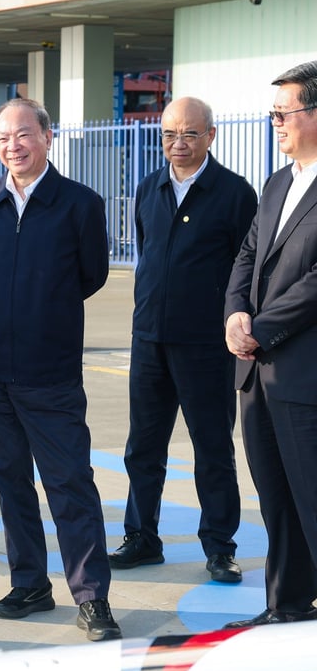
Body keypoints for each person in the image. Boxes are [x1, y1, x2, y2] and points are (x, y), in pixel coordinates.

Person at [0, 98, 119, 642]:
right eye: (4, 137)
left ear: (48, 137)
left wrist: (42, 314)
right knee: (10, 482)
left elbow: (91, 274)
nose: (14, 145)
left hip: (49, 372)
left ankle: (92, 596)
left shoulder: (80, 203)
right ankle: (30, 582)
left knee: (70, 485)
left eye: (23, 134)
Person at [110, 97, 256, 583]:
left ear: (211, 136)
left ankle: (219, 546)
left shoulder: (234, 193)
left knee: (212, 448)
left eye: (190, 134)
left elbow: (247, 268)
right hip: (149, 338)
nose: (178, 143)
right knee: (142, 447)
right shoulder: (148, 188)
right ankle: (141, 537)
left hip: (205, 346)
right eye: (170, 133)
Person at [223, 60, 317, 629]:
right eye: (272, 113)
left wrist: (262, 327)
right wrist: (237, 312)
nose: (274, 123)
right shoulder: (278, 182)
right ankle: (287, 606)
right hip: (258, 376)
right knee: (277, 499)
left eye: (283, 113)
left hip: (304, 374)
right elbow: (247, 256)